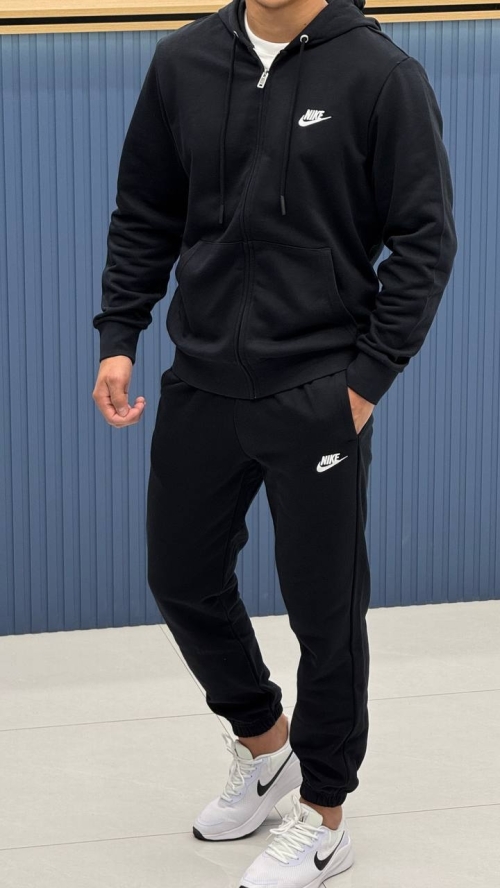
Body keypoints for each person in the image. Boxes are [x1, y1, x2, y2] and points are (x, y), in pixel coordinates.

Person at [92, 0, 458, 883]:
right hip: (202, 379)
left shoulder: (380, 75)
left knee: (324, 613)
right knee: (181, 578)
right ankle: (266, 748)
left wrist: (364, 383)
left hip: (317, 389)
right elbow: (145, 208)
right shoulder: (182, 61)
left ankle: (324, 815)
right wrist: (119, 334)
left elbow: (425, 239)